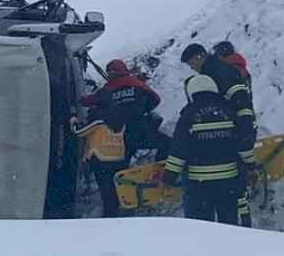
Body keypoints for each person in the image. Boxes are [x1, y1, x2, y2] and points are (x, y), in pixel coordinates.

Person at [181, 43, 257, 226]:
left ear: (199, 56)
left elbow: (240, 103)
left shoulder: (220, 72)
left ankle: (244, 228)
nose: (192, 68)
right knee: (235, 186)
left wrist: (242, 134)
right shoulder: (217, 71)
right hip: (233, 131)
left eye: (191, 63)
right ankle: (241, 226)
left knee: (237, 186)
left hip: (235, 132)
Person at [162, 74, 250, 225]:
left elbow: (178, 150)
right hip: (228, 181)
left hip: (199, 184)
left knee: (200, 228)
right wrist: (250, 163)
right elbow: (242, 142)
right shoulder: (229, 112)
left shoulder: (188, 115)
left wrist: (169, 176)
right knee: (229, 225)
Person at [80, 59, 167, 162]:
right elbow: (156, 99)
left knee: (121, 158)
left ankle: (123, 171)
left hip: (117, 136)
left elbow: (89, 101)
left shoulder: (107, 89)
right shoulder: (137, 83)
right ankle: (160, 167)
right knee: (167, 144)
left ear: (110, 73)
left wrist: (78, 100)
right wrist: (144, 108)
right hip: (141, 129)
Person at [72, 115, 127, 218]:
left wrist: (73, 121)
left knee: (102, 194)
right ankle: (112, 215)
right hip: (117, 160)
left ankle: (105, 218)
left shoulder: (98, 123)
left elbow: (78, 132)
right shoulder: (121, 122)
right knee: (112, 194)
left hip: (100, 160)